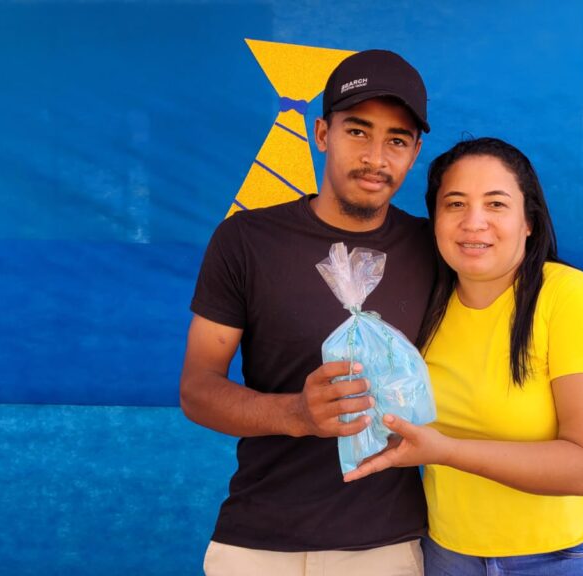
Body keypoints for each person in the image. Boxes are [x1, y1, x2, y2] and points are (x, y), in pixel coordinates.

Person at [180, 49, 435, 576]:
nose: (375, 158)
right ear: (322, 133)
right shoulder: (246, 240)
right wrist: (296, 414)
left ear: (414, 153)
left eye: (397, 140)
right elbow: (198, 389)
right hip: (258, 542)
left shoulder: (434, 250)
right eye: (357, 131)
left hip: (384, 547)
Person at [343, 137, 583, 575]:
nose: (473, 222)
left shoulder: (571, 298)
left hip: (552, 560)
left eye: (496, 204)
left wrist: (446, 451)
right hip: (446, 554)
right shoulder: (426, 307)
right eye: (455, 204)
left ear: (529, 220)